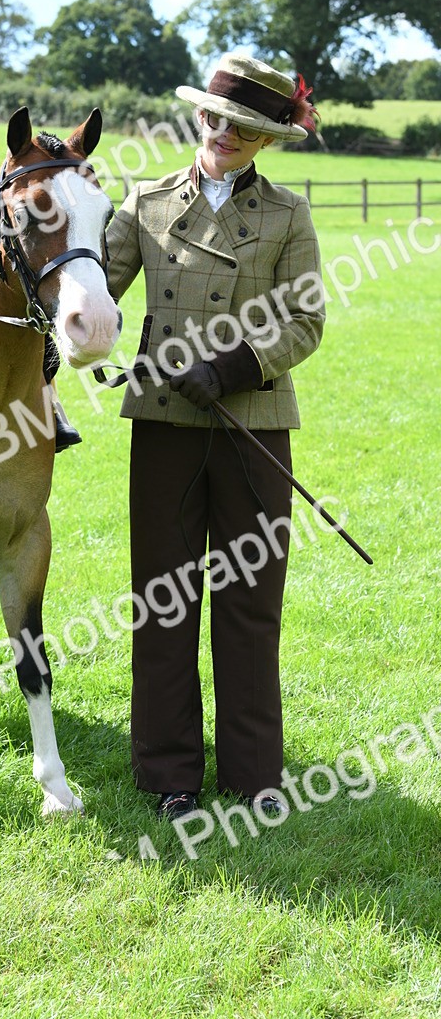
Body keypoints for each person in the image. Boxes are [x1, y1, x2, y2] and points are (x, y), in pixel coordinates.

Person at [105, 54, 325, 821]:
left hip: (254, 426)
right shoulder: (146, 202)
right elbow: (94, 292)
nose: (224, 133)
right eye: (216, 118)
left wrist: (234, 366)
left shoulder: (288, 214)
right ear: (199, 117)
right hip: (163, 425)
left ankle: (254, 774)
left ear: (266, 139)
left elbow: (306, 323)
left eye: (245, 127)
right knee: (162, 601)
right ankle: (169, 773)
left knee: (250, 603)